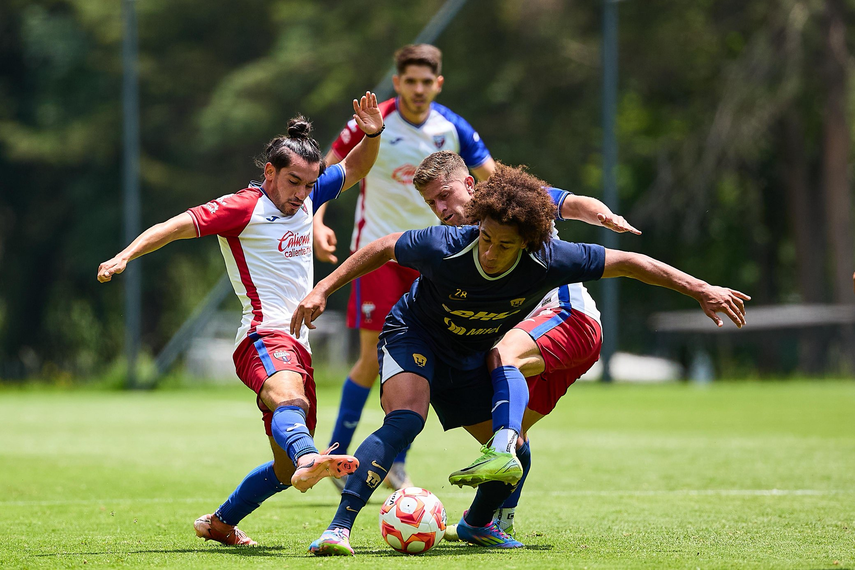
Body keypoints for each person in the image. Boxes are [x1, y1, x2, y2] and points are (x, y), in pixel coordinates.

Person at [291, 164, 750, 555]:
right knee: (407, 420)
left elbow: (631, 262)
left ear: (528, 243)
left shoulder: (550, 259)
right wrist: (322, 289)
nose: (490, 252)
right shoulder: (446, 245)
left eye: (504, 245)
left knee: (518, 454)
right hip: (415, 334)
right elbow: (384, 246)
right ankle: (338, 528)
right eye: (485, 238)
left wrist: (701, 289)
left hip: (468, 356)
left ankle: (477, 524)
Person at [97, 93, 385, 547]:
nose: (301, 194)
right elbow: (174, 226)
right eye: (293, 182)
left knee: (284, 470)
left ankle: (220, 522)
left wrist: (373, 133)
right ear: (270, 172)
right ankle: (310, 457)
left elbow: (355, 167)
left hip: (299, 345)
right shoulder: (242, 207)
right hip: (261, 336)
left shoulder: (309, 195)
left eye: (309, 184)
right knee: (291, 401)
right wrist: (124, 256)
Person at [413, 150, 640, 538]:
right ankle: (485, 523)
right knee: (512, 435)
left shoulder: (515, 201)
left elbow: (571, 204)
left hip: (568, 316)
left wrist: (604, 215)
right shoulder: (455, 241)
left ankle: (488, 496)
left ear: (469, 184)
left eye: (445, 195)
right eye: (432, 202)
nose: (441, 208)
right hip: (547, 337)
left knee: (503, 363)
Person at [315, 44, 497, 491]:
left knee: (422, 357)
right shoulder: (374, 121)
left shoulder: (452, 127)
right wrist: (317, 222)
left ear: (438, 84)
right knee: (371, 359)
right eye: (409, 81)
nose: (418, 89)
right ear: (397, 83)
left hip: (435, 258)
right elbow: (328, 170)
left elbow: (492, 179)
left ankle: (395, 463)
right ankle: (335, 455)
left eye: (425, 82)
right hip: (379, 253)